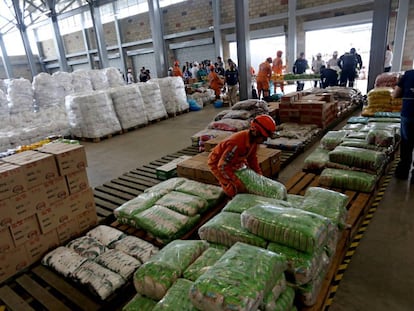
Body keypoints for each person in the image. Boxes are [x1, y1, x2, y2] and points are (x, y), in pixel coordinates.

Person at [208, 114, 277, 197]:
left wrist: (260, 177)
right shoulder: (236, 144)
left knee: (249, 183)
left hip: (236, 162)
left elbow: (252, 159)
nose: (265, 140)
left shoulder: (253, 141)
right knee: (233, 189)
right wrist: (236, 183)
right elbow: (222, 166)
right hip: (218, 164)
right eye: (264, 137)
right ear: (255, 131)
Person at [392, 70, 414, 183]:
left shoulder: (409, 74)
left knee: (406, 143)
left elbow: (395, 94)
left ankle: (403, 172)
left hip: (408, 114)